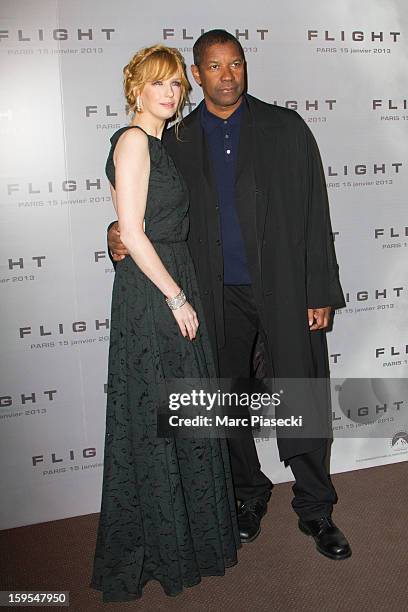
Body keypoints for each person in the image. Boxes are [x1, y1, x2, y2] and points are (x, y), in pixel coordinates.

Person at [108, 30, 352, 561]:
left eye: (235, 64)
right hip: (212, 291)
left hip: (286, 288)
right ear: (198, 75)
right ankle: (247, 493)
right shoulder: (175, 140)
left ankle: (316, 508)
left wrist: (320, 289)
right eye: (214, 67)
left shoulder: (286, 128)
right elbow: (149, 209)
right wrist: (116, 229)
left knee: (300, 395)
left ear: (244, 67)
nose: (227, 75)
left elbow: (316, 215)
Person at [90, 44, 241, 603]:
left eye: (178, 84)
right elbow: (130, 231)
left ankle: (188, 539)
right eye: (160, 83)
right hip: (156, 293)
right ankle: (165, 544)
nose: (173, 94)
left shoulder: (159, 143)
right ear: (136, 87)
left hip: (169, 279)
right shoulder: (132, 141)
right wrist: (177, 298)